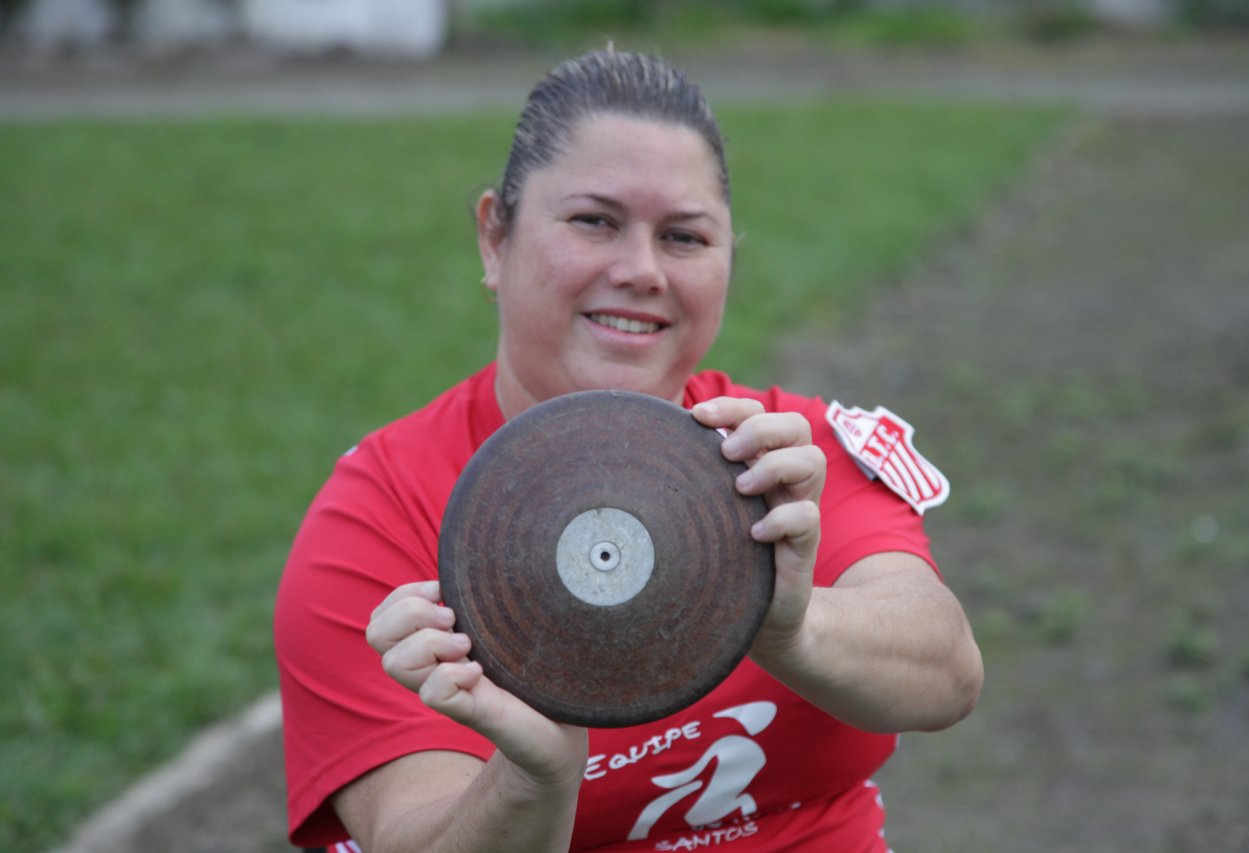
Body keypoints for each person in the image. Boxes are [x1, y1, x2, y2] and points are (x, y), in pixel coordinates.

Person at [274, 47, 983, 853]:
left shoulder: (786, 459)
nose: (641, 270)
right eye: (594, 221)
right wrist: (534, 775)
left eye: (684, 237)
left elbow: (948, 673)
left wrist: (787, 625)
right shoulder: (382, 511)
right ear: (494, 238)